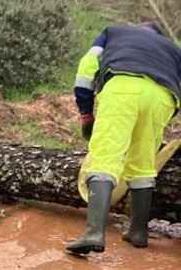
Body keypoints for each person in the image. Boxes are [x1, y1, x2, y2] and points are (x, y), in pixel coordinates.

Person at [67, 21, 181, 255]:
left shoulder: (112, 32)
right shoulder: (172, 49)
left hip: (123, 87)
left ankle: (94, 233)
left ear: (137, 29)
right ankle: (138, 232)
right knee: (143, 162)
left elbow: (87, 68)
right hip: (163, 99)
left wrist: (86, 113)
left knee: (105, 157)